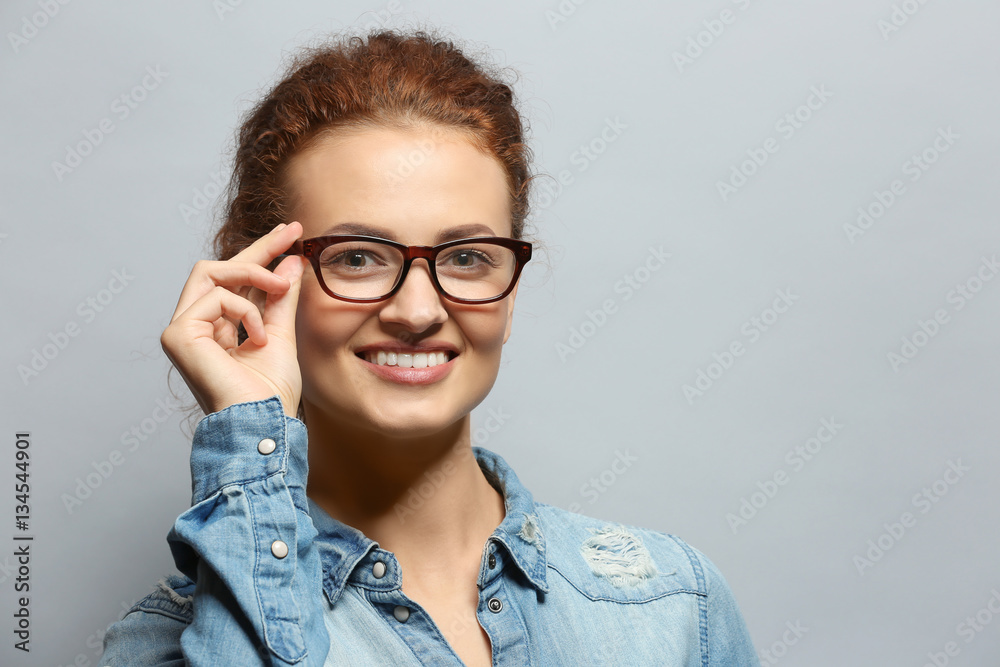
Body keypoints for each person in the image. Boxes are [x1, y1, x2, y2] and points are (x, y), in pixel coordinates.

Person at [102, 28, 758, 666]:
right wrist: (249, 430)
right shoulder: (165, 644)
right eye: (358, 257)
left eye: (468, 257)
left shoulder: (672, 606)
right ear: (261, 283)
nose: (418, 311)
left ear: (511, 290)